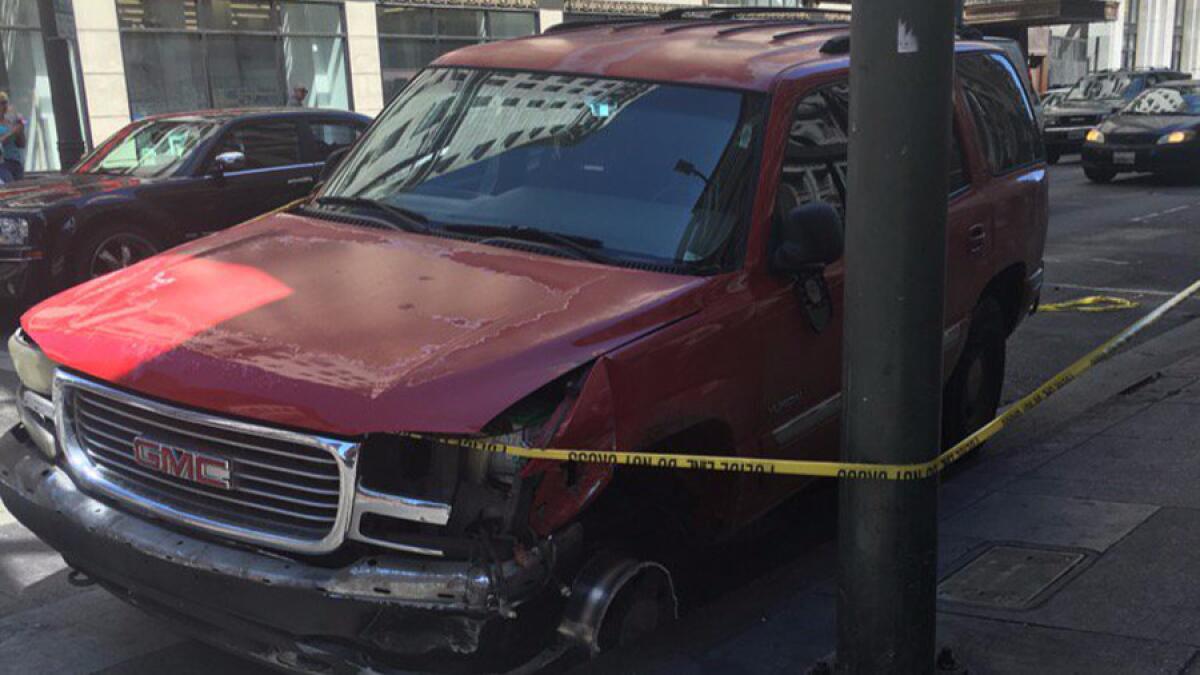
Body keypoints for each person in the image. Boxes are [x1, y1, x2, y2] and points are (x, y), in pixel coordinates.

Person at [0, 92, 26, 183]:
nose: (4, 106)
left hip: (16, 162)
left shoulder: (10, 123)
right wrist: (12, 132)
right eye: (1, 103)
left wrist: (21, 130)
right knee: (10, 186)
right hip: (3, 164)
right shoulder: (11, 128)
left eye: (5, 103)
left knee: (20, 188)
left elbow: (21, 144)